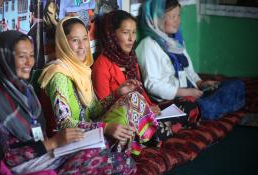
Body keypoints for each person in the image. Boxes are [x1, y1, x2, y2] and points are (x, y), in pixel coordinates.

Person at [0, 30, 136, 175]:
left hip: (48, 151)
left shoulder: (26, 90)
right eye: (22, 56)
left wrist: (116, 96)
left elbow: (91, 111)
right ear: (4, 58)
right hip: (24, 165)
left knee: (116, 156)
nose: (29, 62)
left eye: (32, 55)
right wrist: (53, 143)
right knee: (109, 160)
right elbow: (5, 158)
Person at [38, 17, 158, 156]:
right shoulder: (59, 75)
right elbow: (64, 123)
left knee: (132, 97)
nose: (82, 46)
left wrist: (117, 93)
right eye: (75, 40)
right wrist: (105, 128)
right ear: (63, 43)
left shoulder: (81, 70)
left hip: (90, 132)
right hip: (69, 142)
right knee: (122, 121)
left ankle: (133, 145)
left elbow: (92, 112)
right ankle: (126, 151)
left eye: (84, 39)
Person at [92, 10, 199, 141]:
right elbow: (103, 107)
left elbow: (141, 90)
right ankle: (157, 133)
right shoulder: (102, 65)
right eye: (126, 33)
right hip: (122, 118)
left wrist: (150, 107)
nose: (132, 39)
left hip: (143, 113)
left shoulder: (130, 59)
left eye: (133, 32)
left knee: (188, 103)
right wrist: (142, 110)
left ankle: (160, 130)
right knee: (154, 126)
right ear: (112, 35)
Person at [136, 0, 245, 120]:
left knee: (237, 83)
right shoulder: (148, 45)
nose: (177, 20)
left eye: (179, 15)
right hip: (174, 100)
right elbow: (152, 85)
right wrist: (184, 92)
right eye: (173, 16)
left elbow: (189, 72)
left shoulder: (175, 43)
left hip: (192, 94)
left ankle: (207, 109)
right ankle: (204, 110)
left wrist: (201, 83)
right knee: (204, 105)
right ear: (157, 18)